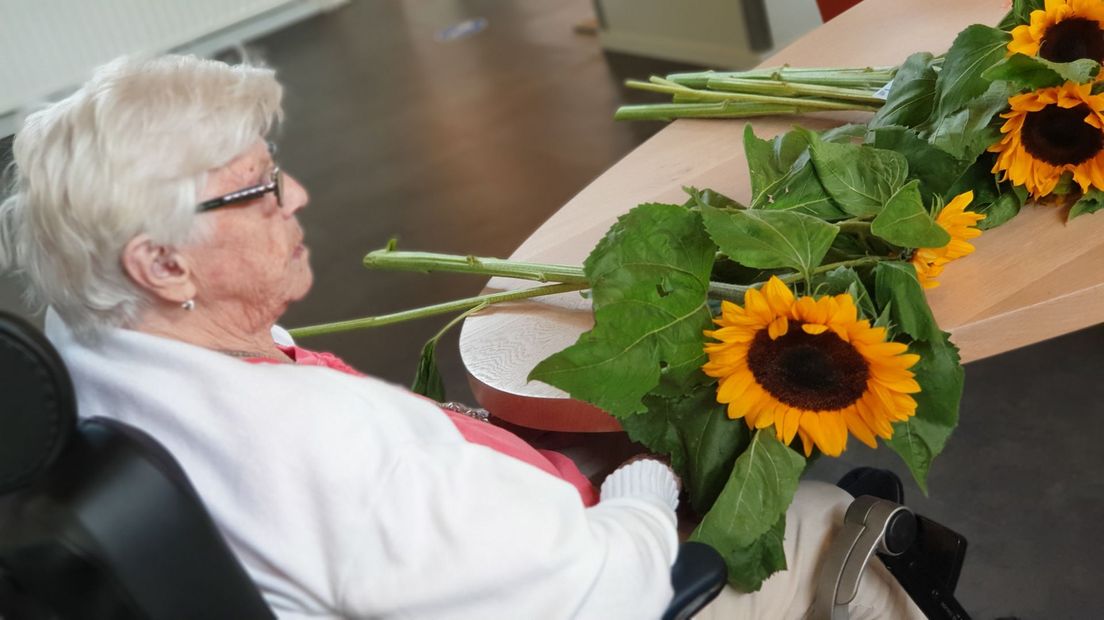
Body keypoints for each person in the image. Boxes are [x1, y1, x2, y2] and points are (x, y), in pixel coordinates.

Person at [0, 55, 923, 619]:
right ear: (162, 266)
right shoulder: (333, 454)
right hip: (602, 592)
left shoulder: (79, 350)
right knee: (832, 519)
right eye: (258, 190)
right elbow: (605, 595)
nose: (297, 199)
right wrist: (645, 490)